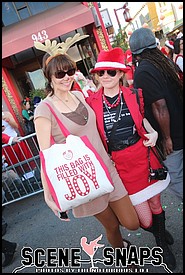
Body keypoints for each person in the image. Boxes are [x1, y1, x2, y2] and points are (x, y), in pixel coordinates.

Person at [33, 35, 140, 253]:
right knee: (112, 227)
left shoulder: (80, 97)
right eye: (60, 73)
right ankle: (124, 257)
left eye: (70, 71)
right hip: (83, 179)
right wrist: (48, 194)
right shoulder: (44, 109)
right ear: (49, 77)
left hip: (107, 168)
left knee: (132, 222)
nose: (66, 77)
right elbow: (45, 156)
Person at [87, 47, 176, 271]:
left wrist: (153, 133)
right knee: (143, 219)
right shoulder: (92, 102)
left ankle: (161, 245)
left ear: (120, 74)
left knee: (155, 203)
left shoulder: (134, 94)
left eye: (111, 72)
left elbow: (142, 120)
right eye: (101, 73)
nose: (106, 76)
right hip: (119, 164)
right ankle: (158, 230)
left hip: (142, 155)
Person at [129, 27, 183, 203]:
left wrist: (166, 138)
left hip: (173, 137)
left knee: (178, 181)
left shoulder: (143, 71)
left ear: (136, 53)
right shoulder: (165, 62)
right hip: (179, 127)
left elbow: (159, 106)